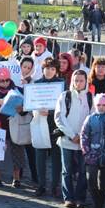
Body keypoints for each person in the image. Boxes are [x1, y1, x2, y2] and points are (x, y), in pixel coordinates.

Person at [55, 69, 93, 208]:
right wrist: (72, 135)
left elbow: (91, 117)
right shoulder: (65, 96)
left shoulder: (90, 97)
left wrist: (82, 136)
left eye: (81, 80)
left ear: (85, 81)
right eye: (76, 80)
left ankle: (80, 198)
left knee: (83, 171)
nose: (78, 83)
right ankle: (68, 197)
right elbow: (59, 118)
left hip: (83, 142)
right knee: (67, 170)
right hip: (67, 140)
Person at [0, 67, 25, 188]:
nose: (4, 83)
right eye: (1, 81)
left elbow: (26, 108)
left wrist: (21, 109)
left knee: (17, 152)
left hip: (15, 124)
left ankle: (16, 178)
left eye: (7, 80)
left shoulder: (18, 90)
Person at [34, 57, 64, 197]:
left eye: (52, 69)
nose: (49, 71)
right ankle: (41, 185)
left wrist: (51, 112)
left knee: (56, 157)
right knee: (40, 156)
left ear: (56, 71)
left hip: (55, 125)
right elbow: (31, 103)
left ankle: (55, 186)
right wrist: (37, 109)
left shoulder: (61, 84)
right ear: (43, 69)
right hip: (40, 123)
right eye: (47, 68)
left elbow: (63, 105)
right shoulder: (36, 83)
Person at [80, 93, 105, 208]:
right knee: (91, 180)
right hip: (92, 155)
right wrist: (86, 152)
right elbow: (84, 135)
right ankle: (95, 204)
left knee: (103, 183)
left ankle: (100, 205)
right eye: (99, 104)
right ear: (95, 105)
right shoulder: (90, 118)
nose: (101, 107)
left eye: (104, 105)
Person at [18, 56, 37, 183]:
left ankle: (35, 176)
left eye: (29, 68)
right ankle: (17, 175)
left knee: (31, 150)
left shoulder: (34, 82)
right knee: (18, 148)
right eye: (24, 67)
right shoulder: (14, 80)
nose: (26, 70)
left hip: (30, 118)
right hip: (17, 118)